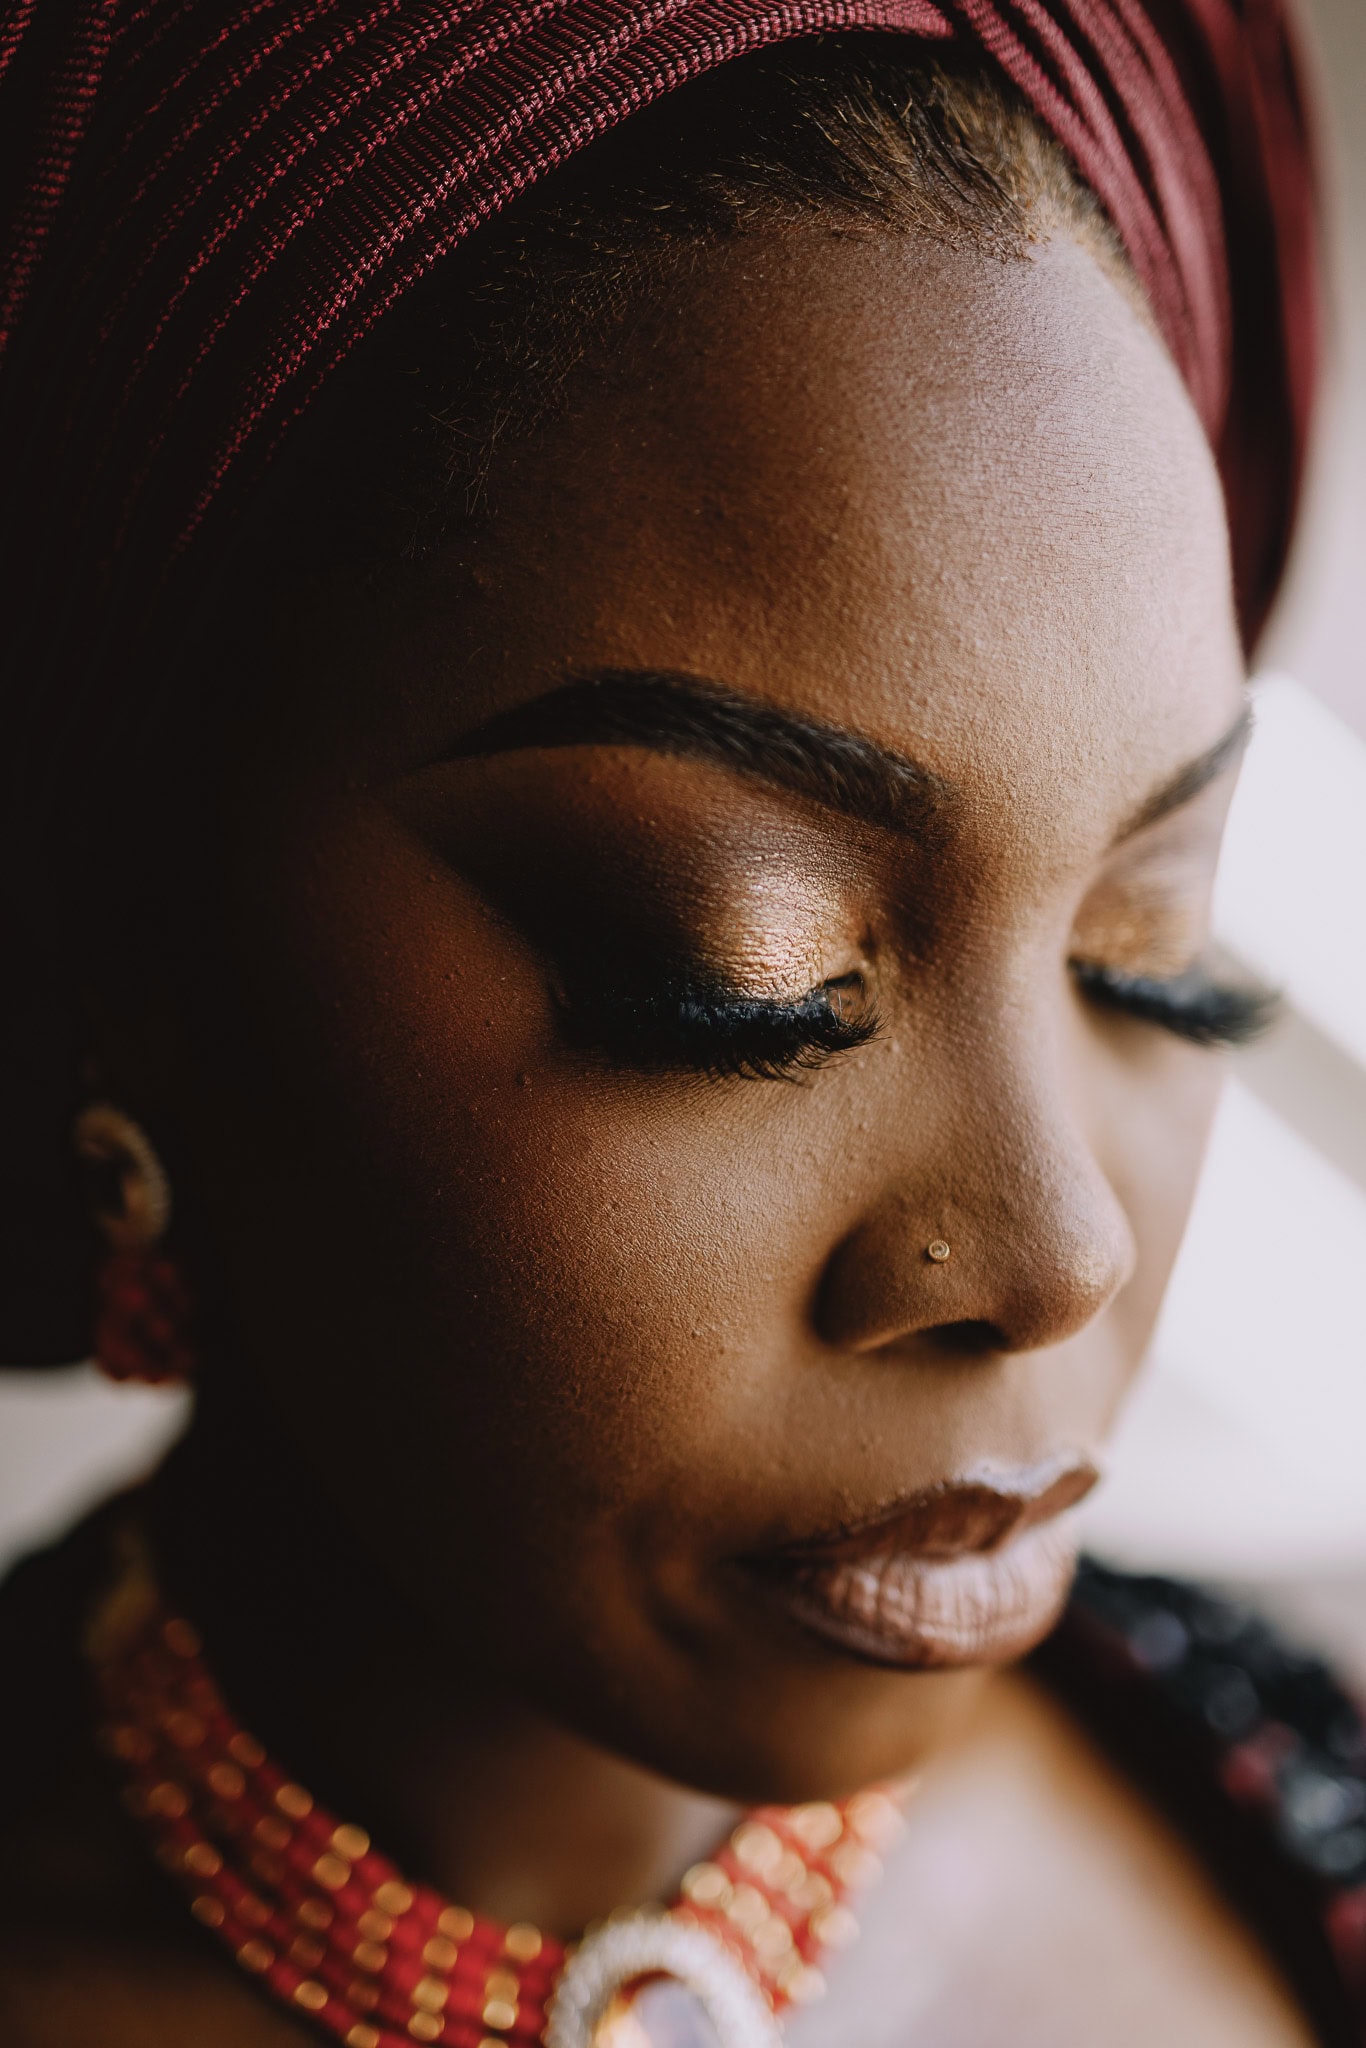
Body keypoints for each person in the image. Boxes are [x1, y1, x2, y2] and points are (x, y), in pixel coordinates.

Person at [0, 2, 1356, 2044]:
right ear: (126, 939)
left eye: (1144, 950)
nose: (1055, 1252)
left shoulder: (1274, 1780)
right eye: (739, 977)